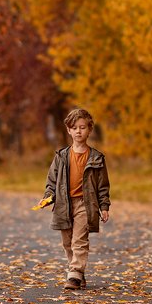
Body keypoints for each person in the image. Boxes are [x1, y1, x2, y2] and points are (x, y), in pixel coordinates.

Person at [35, 108, 110, 290]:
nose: (78, 131)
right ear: (68, 130)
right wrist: (47, 198)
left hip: (86, 204)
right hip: (64, 204)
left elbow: (103, 185)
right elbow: (52, 181)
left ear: (89, 129)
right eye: (74, 127)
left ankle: (74, 274)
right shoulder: (61, 156)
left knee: (79, 241)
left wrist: (104, 206)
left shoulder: (96, 158)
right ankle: (77, 272)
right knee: (67, 243)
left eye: (82, 127)